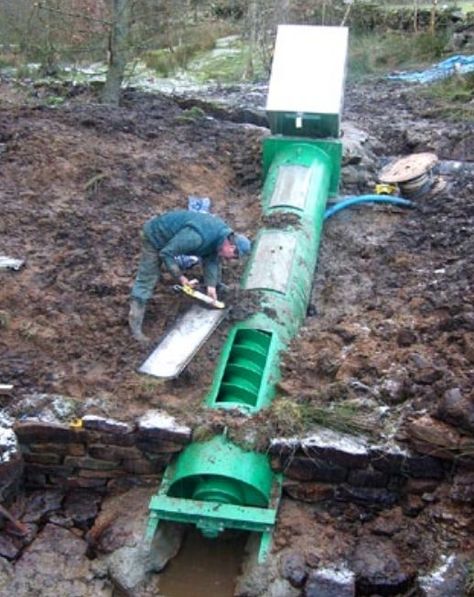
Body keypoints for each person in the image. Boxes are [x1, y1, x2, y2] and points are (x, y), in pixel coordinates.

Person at [129, 210, 251, 342]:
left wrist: (211, 287)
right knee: (148, 278)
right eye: (234, 256)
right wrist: (181, 278)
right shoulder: (197, 238)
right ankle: (135, 325)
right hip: (155, 236)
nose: (230, 260)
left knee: (183, 262)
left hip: (175, 240)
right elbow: (166, 253)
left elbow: (211, 260)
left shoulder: (221, 237)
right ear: (232, 247)